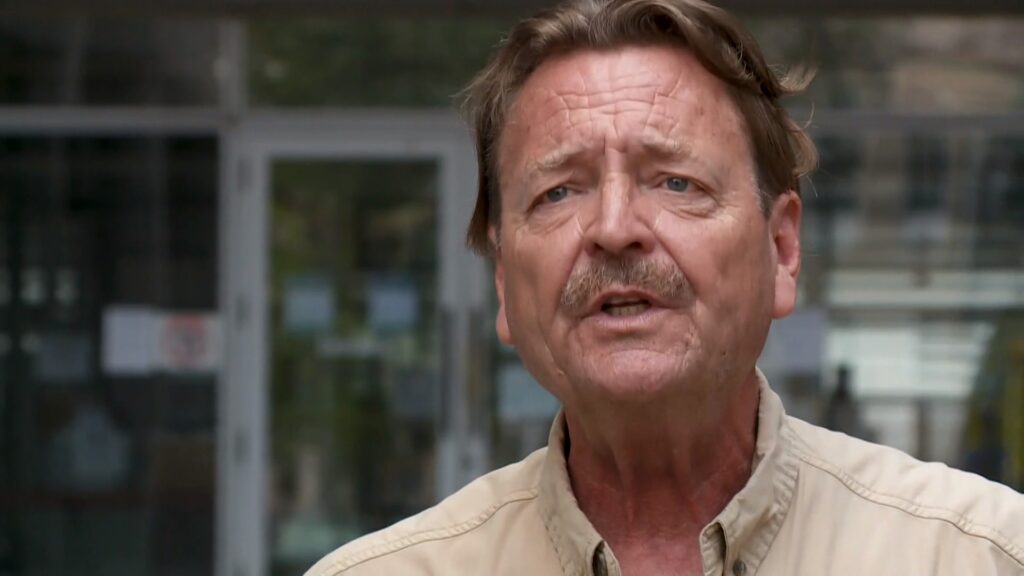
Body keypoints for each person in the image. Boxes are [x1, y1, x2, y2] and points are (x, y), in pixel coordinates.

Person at [307, 0, 1024, 574]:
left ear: (781, 249)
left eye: (676, 182)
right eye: (559, 193)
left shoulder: (977, 555)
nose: (614, 228)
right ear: (502, 279)